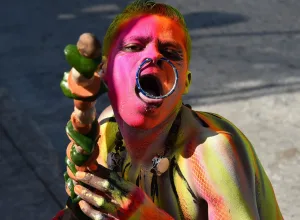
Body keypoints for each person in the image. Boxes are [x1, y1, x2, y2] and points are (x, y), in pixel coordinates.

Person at [53, 0, 283, 219]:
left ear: (185, 82)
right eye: (134, 46)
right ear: (105, 71)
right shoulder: (107, 131)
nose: (153, 56)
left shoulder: (211, 154)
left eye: (171, 53)